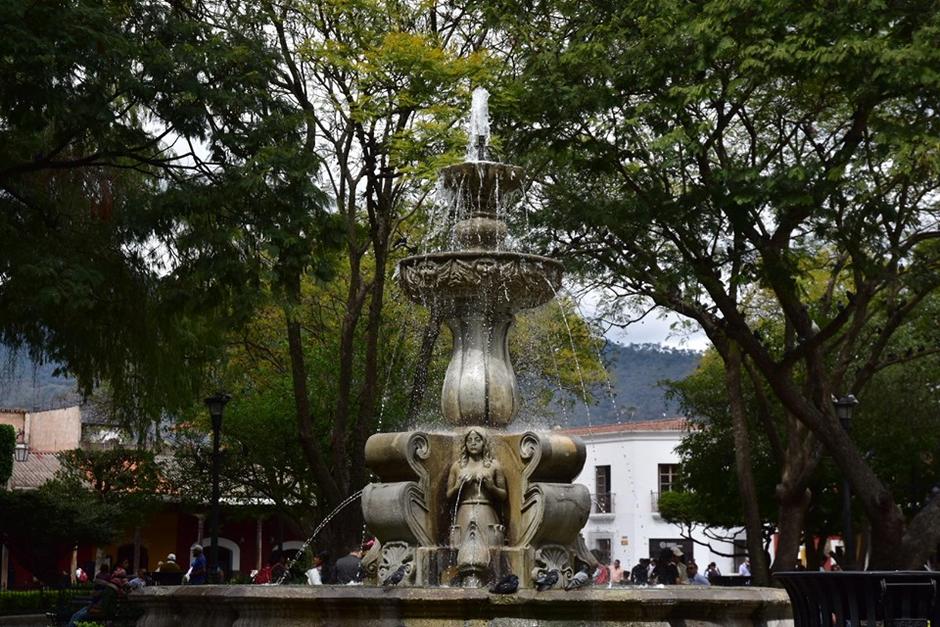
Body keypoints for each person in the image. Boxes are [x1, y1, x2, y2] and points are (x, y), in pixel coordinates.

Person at [446, 427, 507, 547]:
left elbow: (503, 495)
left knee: (490, 549)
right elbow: (448, 496)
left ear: (484, 442)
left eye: (477, 439)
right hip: (464, 511)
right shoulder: (457, 466)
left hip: (486, 511)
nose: (473, 443)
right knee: (461, 549)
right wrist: (458, 486)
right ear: (465, 444)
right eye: (469, 440)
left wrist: (491, 487)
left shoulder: (493, 465)